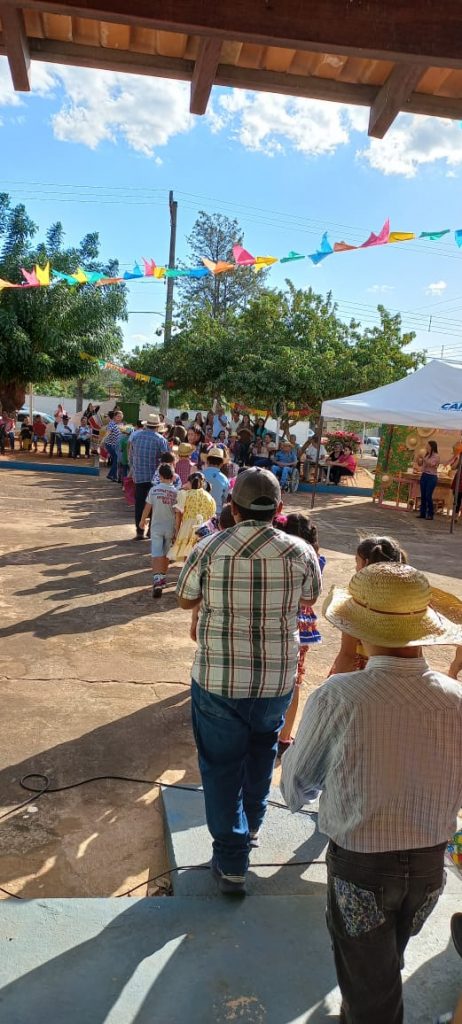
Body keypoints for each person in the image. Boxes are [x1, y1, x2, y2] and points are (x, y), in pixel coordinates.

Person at [281, 561, 462, 1024]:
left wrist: (307, 795)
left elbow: (297, 781)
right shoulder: (455, 698)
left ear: (358, 631)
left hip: (360, 866)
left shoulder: (340, 694)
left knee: (371, 992)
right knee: (383, 964)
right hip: (428, 868)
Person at [176, 468, 322, 894]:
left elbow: (185, 597)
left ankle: (232, 860)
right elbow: (310, 598)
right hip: (277, 679)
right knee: (261, 756)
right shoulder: (300, 552)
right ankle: (251, 831)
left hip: (219, 679)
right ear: (279, 510)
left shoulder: (209, 547)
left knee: (221, 767)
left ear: (233, 508)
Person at [276, 513, 326, 759]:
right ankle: (285, 737)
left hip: (283, 620)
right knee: (295, 679)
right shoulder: (315, 560)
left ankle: (274, 732)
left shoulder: (281, 556)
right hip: (303, 626)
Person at [330, 535, 408, 675]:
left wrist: (331, 685)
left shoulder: (358, 603)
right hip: (399, 672)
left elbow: (348, 655)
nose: (355, 567)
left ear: (365, 564)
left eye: (357, 562)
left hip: (364, 673)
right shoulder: (410, 600)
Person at [140, 463, 178, 599]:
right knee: (166, 554)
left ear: (160, 476)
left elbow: (147, 507)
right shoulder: (176, 493)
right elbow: (177, 512)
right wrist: (177, 530)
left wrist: (142, 520)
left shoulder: (153, 490)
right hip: (170, 528)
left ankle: (157, 579)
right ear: (173, 476)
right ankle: (162, 577)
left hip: (156, 528)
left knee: (156, 553)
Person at [129, 413, 168, 539]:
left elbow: (131, 455)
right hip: (155, 479)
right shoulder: (160, 439)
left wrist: (133, 469)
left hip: (139, 476)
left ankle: (139, 532)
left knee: (139, 505)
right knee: (154, 506)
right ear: (157, 426)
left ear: (147, 425)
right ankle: (151, 531)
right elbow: (166, 459)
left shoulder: (136, 436)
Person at [168, 472, 216, 562]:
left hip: (188, 528)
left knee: (187, 554)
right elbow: (212, 517)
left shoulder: (184, 494)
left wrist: (177, 531)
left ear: (189, 482)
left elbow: (178, 515)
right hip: (204, 528)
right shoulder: (210, 497)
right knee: (200, 555)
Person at [417, 439, 440, 520]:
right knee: (423, 495)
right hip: (424, 475)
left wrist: (424, 458)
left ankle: (430, 513)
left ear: (432, 447)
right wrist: (418, 459)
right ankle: (422, 513)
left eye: (428, 445)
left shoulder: (436, 456)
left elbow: (432, 464)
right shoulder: (427, 455)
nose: (426, 447)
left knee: (428, 495)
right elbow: (421, 465)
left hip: (432, 477)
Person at [203, 447, 230, 514]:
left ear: (207, 462)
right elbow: (225, 498)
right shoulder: (224, 479)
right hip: (216, 511)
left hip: (200, 511)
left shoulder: (200, 475)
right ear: (221, 464)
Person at [104, 409, 124, 481]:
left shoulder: (119, 424)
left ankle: (113, 476)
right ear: (114, 417)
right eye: (118, 416)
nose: (120, 418)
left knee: (116, 459)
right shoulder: (112, 424)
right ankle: (111, 475)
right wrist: (103, 441)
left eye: (121, 417)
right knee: (116, 458)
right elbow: (108, 432)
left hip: (116, 445)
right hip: (110, 445)